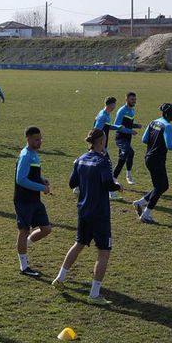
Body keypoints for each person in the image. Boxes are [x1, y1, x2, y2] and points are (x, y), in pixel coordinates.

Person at [51, 128, 119, 305]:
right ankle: (94, 294)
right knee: (104, 251)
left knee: (79, 243)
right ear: (101, 141)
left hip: (83, 210)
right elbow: (108, 183)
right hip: (100, 213)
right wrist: (117, 186)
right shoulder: (103, 161)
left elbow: (72, 183)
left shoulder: (80, 159)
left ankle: (60, 278)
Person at [133, 103, 172, 224]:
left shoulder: (153, 122)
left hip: (148, 158)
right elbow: (170, 145)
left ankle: (140, 203)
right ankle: (146, 214)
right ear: (170, 114)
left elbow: (144, 139)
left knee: (160, 186)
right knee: (161, 186)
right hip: (157, 160)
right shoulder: (167, 126)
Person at [14, 126, 52, 277]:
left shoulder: (34, 154)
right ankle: (24, 266)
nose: (39, 142)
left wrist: (41, 179)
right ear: (28, 139)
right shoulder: (26, 155)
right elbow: (21, 179)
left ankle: (25, 245)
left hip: (35, 199)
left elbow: (31, 174)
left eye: (40, 139)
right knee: (24, 230)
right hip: (24, 200)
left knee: (46, 229)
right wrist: (41, 187)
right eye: (36, 139)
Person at [112, 92, 138, 184]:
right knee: (128, 152)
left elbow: (128, 124)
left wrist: (135, 125)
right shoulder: (122, 110)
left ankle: (126, 175)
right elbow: (117, 125)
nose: (134, 101)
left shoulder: (132, 110)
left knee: (126, 155)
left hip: (128, 138)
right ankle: (115, 178)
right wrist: (131, 131)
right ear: (126, 100)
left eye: (135, 99)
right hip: (120, 137)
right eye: (132, 99)